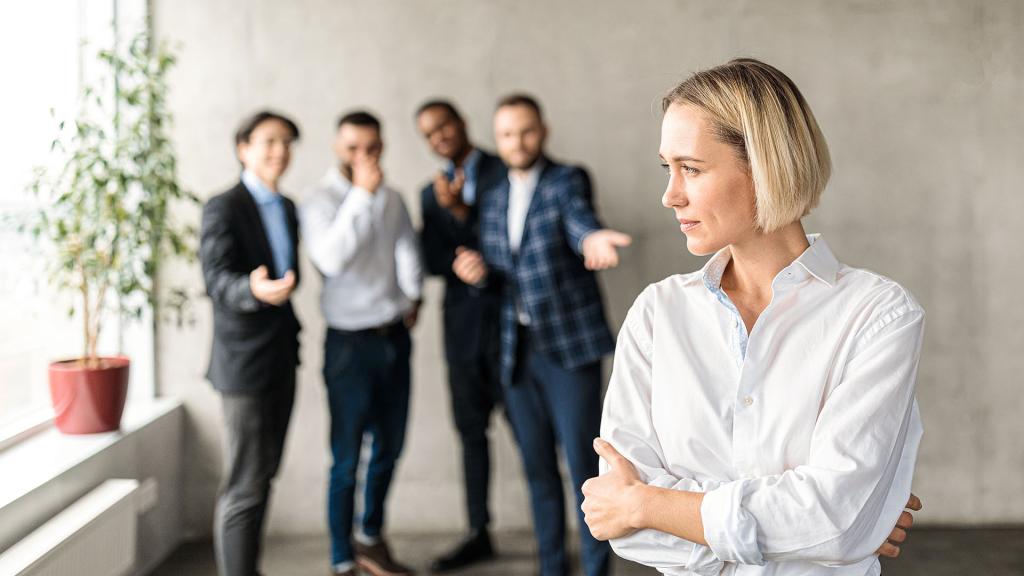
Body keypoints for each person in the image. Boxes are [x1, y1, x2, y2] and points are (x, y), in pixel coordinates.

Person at [581, 58, 925, 576]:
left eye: (691, 169)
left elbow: (835, 520)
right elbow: (626, 530)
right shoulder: (658, 313)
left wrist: (650, 504)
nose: (669, 195)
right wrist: (819, 532)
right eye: (666, 168)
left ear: (764, 165)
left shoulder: (878, 315)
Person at [452, 94, 631, 576]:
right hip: (515, 353)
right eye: (508, 134)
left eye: (526, 131)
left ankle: (595, 569)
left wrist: (591, 238)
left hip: (568, 350)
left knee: (583, 471)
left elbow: (578, 220)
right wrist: (477, 272)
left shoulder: (566, 180)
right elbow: (498, 270)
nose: (518, 141)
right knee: (536, 471)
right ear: (497, 138)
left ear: (543, 131)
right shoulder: (491, 198)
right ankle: (552, 566)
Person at [301, 111, 423, 576]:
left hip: (393, 337)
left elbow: (406, 249)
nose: (364, 156)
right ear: (337, 147)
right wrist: (361, 195)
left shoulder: (393, 198)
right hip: (348, 345)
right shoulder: (319, 201)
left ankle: (370, 539)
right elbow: (331, 259)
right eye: (353, 148)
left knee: (390, 446)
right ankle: (340, 558)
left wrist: (413, 297)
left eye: (372, 147)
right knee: (347, 455)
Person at [200, 110, 302, 576]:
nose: (279, 151)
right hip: (243, 365)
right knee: (244, 486)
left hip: (281, 357)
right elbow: (217, 279)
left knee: (263, 479)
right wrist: (252, 291)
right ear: (243, 147)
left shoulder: (287, 207)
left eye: (286, 142)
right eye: (268, 141)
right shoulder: (224, 206)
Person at [414, 99, 507, 571]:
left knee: (535, 436)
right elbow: (430, 259)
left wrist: (461, 212)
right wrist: (454, 254)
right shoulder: (429, 194)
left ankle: (570, 531)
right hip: (461, 332)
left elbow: (506, 237)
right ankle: (478, 531)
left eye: (444, 126)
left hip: (510, 325)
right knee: (471, 434)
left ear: (462, 123)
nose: (439, 138)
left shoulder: (503, 169)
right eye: (429, 134)